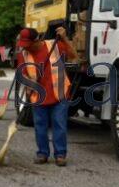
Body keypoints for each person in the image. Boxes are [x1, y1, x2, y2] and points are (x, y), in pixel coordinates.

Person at [17, 26, 77, 166]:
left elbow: (74, 56)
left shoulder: (54, 46)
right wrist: (28, 84)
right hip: (39, 97)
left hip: (59, 94)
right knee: (40, 127)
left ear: (37, 40)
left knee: (59, 124)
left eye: (28, 44)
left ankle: (60, 154)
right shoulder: (23, 54)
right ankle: (42, 153)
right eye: (24, 44)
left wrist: (65, 38)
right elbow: (22, 75)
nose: (26, 47)